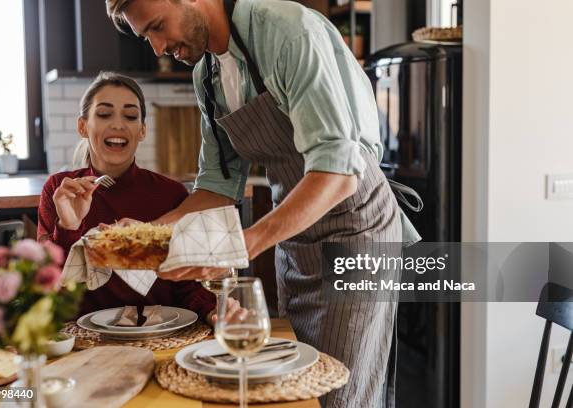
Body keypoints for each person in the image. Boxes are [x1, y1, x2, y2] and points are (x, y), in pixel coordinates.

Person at [106, 1, 421, 406]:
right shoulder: (208, 75)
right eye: (147, 35)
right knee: (291, 390)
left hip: (355, 229)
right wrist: (144, 237)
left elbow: (338, 173)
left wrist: (247, 242)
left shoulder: (288, 32)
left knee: (341, 395)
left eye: (158, 27)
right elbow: (217, 186)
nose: (157, 47)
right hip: (294, 240)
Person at [37, 71, 215, 320]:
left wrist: (212, 312)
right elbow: (46, 289)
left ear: (142, 130)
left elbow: (185, 284)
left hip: (159, 334)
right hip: (84, 340)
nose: (118, 124)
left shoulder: (171, 193)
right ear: (82, 126)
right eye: (104, 114)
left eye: (130, 116)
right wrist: (68, 226)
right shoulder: (59, 191)